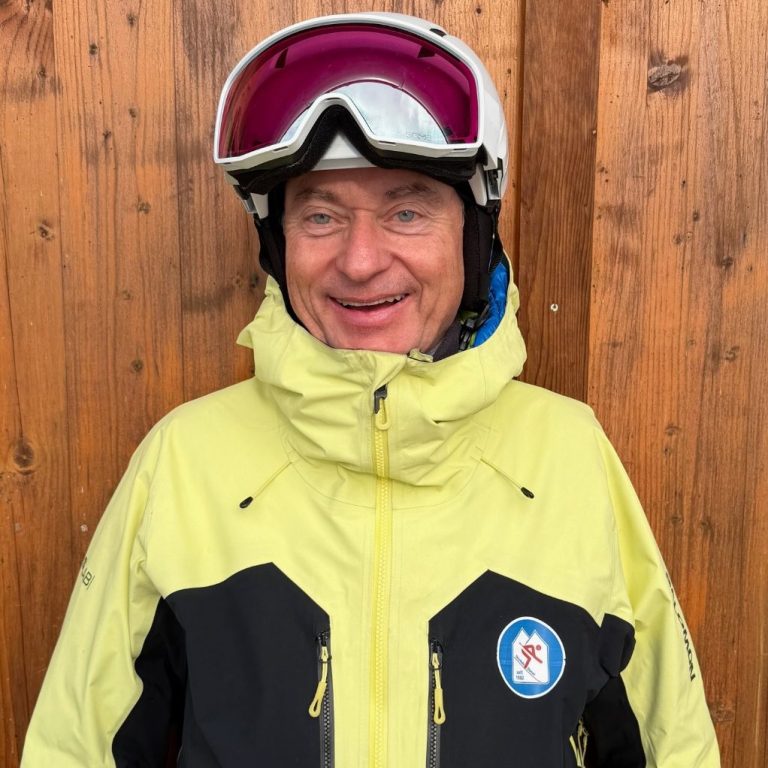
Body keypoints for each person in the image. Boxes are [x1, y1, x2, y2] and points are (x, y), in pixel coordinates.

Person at [22, 12, 720, 768]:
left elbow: (671, 744)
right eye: (321, 214)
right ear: (279, 242)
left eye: (406, 210)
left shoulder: (570, 454)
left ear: (473, 232)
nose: (360, 261)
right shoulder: (183, 463)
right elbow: (74, 749)